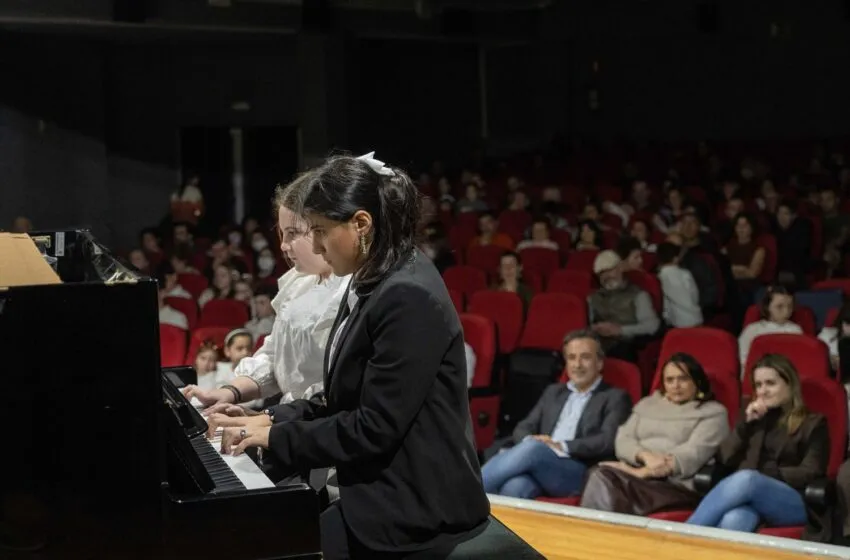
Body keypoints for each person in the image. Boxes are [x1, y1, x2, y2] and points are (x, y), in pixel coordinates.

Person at [218, 152, 490, 558]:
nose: (314, 244)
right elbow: (341, 396)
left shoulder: (406, 295)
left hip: (415, 503)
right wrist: (269, 417)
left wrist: (275, 436)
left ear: (361, 224)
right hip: (383, 486)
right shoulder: (375, 276)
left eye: (321, 230)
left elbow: (374, 427)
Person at [183, 182, 348, 415]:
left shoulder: (349, 290)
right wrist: (229, 392)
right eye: (282, 234)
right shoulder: (298, 283)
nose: (282, 245)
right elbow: (274, 356)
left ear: (323, 230)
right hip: (292, 420)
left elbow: (334, 391)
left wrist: (265, 420)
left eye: (292, 233)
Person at [480, 329, 632, 500]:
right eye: (572, 358)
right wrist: (533, 439)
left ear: (599, 363)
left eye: (585, 357)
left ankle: (467, 491)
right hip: (540, 465)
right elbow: (525, 426)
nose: (577, 365)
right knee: (515, 486)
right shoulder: (554, 392)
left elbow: (607, 441)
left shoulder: (615, 397)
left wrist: (560, 445)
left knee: (534, 449)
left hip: (580, 472)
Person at [686, 354, 828, 533]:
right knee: (734, 519)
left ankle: (683, 535)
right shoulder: (751, 416)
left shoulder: (813, 423)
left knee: (748, 478)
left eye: (770, 383)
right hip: (748, 497)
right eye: (758, 385)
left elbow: (812, 470)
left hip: (793, 500)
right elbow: (725, 458)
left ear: (790, 385)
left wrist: (766, 476)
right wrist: (746, 425)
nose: (763, 391)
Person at [580, 353, 728, 515]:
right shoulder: (647, 405)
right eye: (670, 380)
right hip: (633, 477)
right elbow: (624, 439)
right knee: (598, 475)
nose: (676, 385)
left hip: (674, 487)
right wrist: (644, 456)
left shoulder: (713, 413)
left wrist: (641, 472)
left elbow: (693, 453)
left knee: (603, 479)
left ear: (697, 381)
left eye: (683, 379)